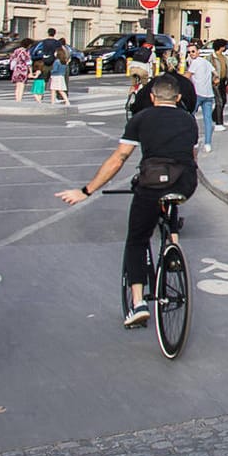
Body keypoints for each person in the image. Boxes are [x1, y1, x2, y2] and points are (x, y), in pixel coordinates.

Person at [57, 77, 199, 328]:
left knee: (137, 238)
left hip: (152, 182)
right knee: (170, 198)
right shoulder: (189, 120)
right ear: (178, 98)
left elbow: (119, 158)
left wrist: (86, 191)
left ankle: (138, 303)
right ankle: (172, 244)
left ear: (153, 98)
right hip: (185, 183)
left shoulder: (141, 119)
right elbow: (191, 155)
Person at [186, 44, 218, 151]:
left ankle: (193, 140)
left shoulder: (195, 63)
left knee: (190, 115)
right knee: (207, 119)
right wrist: (215, 79)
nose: (191, 54)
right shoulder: (206, 62)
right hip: (209, 94)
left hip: (197, 93)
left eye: (193, 51)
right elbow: (215, 73)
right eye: (189, 52)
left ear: (198, 51)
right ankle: (208, 143)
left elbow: (187, 77)